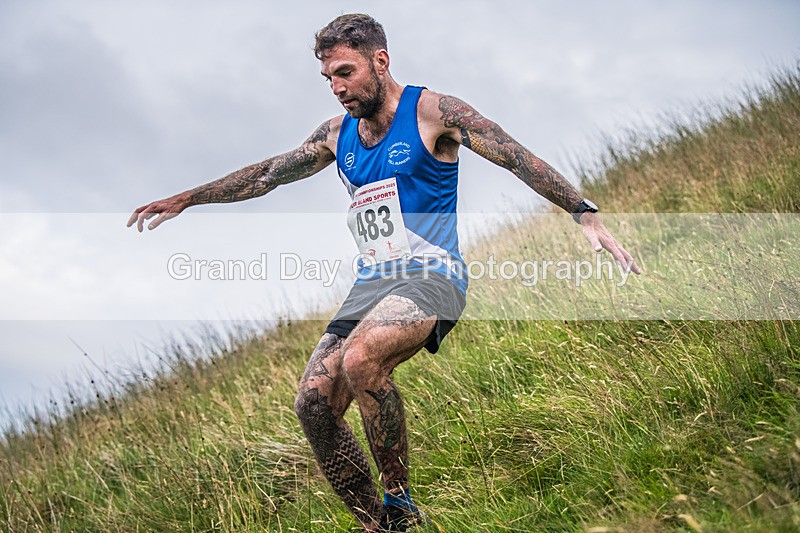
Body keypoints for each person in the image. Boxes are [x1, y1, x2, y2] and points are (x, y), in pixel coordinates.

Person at [127, 13, 640, 532]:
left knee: (362, 358)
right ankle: (378, 525)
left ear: (380, 61)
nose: (338, 88)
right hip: (373, 283)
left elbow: (512, 154)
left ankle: (400, 505)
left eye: (346, 72)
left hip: (433, 276)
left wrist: (582, 210)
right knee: (312, 404)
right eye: (328, 78)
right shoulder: (335, 135)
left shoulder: (434, 113)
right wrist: (188, 198)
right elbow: (266, 175)